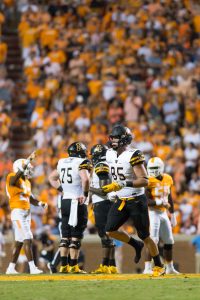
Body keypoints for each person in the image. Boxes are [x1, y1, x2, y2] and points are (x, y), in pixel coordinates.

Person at [101, 124, 165, 276]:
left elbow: (144, 180)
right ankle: (135, 244)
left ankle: (159, 265)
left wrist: (124, 183)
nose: (113, 141)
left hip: (136, 200)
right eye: (112, 138)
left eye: (116, 138)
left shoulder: (133, 154)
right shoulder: (109, 154)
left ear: (124, 140)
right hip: (121, 199)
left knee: (145, 236)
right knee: (110, 230)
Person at [49, 142, 91, 274]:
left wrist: (62, 189)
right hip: (77, 201)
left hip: (65, 200)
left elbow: (51, 177)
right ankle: (73, 266)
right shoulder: (82, 161)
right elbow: (85, 180)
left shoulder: (62, 161)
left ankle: (63, 266)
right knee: (76, 236)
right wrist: (84, 194)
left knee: (65, 236)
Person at [6, 154, 47, 274]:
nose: (30, 169)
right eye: (28, 167)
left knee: (19, 242)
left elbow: (31, 198)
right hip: (18, 212)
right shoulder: (12, 177)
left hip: (26, 212)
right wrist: (27, 160)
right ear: (20, 167)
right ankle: (32, 267)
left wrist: (40, 203)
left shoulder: (27, 182)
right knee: (28, 238)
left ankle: (11, 268)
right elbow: (14, 179)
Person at [143, 157, 179, 275]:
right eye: (151, 168)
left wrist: (172, 214)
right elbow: (146, 201)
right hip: (152, 212)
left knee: (169, 240)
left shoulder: (168, 178)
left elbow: (169, 197)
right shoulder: (148, 180)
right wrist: (160, 203)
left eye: (155, 168)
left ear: (161, 168)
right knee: (153, 240)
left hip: (163, 213)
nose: (153, 171)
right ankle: (147, 267)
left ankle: (170, 268)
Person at [90, 144, 117, 274]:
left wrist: (86, 187)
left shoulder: (101, 165)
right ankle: (112, 265)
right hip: (106, 203)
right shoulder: (107, 163)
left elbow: (103, 191)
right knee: (109, 235)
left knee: (104, 235)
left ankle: (105, 265)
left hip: (103, 203)